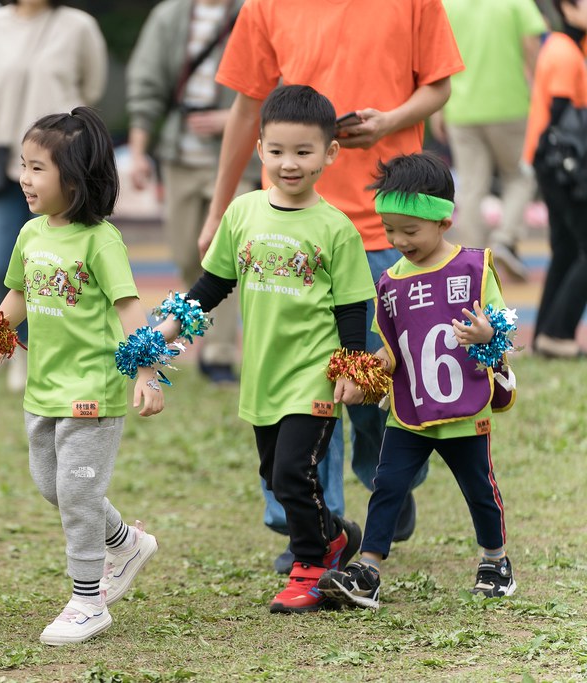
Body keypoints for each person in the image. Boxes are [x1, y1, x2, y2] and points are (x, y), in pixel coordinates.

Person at [200, 0, 465, 569]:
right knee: (302, 384)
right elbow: (247, 108)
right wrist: (219, 210)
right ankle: (313, 532)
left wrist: (389, 122)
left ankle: (390, 483)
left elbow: (438, 88)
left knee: (374, 391)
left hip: (382, 227)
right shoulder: (264, 6)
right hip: (292, 232)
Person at [155, 85, 370, 613]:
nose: (289, 163)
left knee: (295, 473)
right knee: (275, 475)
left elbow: (352, 309)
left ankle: (312, 564)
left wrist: (353, 368)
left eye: (303, 152)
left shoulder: (337, 229)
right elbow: (211, 288)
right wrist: (165, 332)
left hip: (314, 374)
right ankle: (335, 535)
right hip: (264, 373)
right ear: (259, 150)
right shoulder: (243, 212)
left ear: (329, 154)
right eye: (277, 151)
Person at [0, 107, 161, 644]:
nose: (24, 178)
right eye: (23, 165)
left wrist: (146, 372)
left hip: (93, 390)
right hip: (44, 387)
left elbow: (130, 309)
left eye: (37, 168)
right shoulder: (32, 232)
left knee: (78, 494)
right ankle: (125, 541)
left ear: (75, 180)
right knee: (51, 485)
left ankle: (88, 602)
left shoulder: (100, 241)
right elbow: (18, 297)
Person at [319, 152, 517, 609]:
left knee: (480, 490)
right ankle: (367, 569)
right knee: (386, 484)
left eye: (410, 230)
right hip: (408, 409)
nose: (398, 240)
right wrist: (364, 373)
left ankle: (496, 561)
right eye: (390, 229)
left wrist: (488, 333)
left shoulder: (474, 268)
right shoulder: (389, 282)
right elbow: (392, 349)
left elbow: (503, 329)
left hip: (465, 410)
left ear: (444, 220)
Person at [0, 0, 108, 391]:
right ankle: (19, 345)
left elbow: (91, 90)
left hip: (64, 169)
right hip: (3, 156)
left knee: (64, 266)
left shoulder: (79, 25)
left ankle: (59, 350)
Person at [125, 0, 254, 385]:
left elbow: (277, 84)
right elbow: (146, 82)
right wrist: (138, 151)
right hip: (180, 154)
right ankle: (201, 336)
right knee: (186, 254)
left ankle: (220, 354)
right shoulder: (171, 15)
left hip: (237, 158)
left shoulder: (255, 11)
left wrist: (233, 119)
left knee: (226, 256)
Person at [432, 0, 546, 281]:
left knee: (471, 186)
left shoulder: (447, 5)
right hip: (511, 106)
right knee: (519, 175)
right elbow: (532, 46)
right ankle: (505, 239)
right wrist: (541, 91)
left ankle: (473, 263)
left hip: (461, 109)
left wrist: (437, 108)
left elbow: (436, 57)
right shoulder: (516, 3)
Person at [523, 0, 587, 359]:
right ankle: (558, 333)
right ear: (567, 7)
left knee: (565, 248)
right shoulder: (564, 52)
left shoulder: (567, 45)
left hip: (549, 163)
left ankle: (548, 332)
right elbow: (561, 116)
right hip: (561, 164)